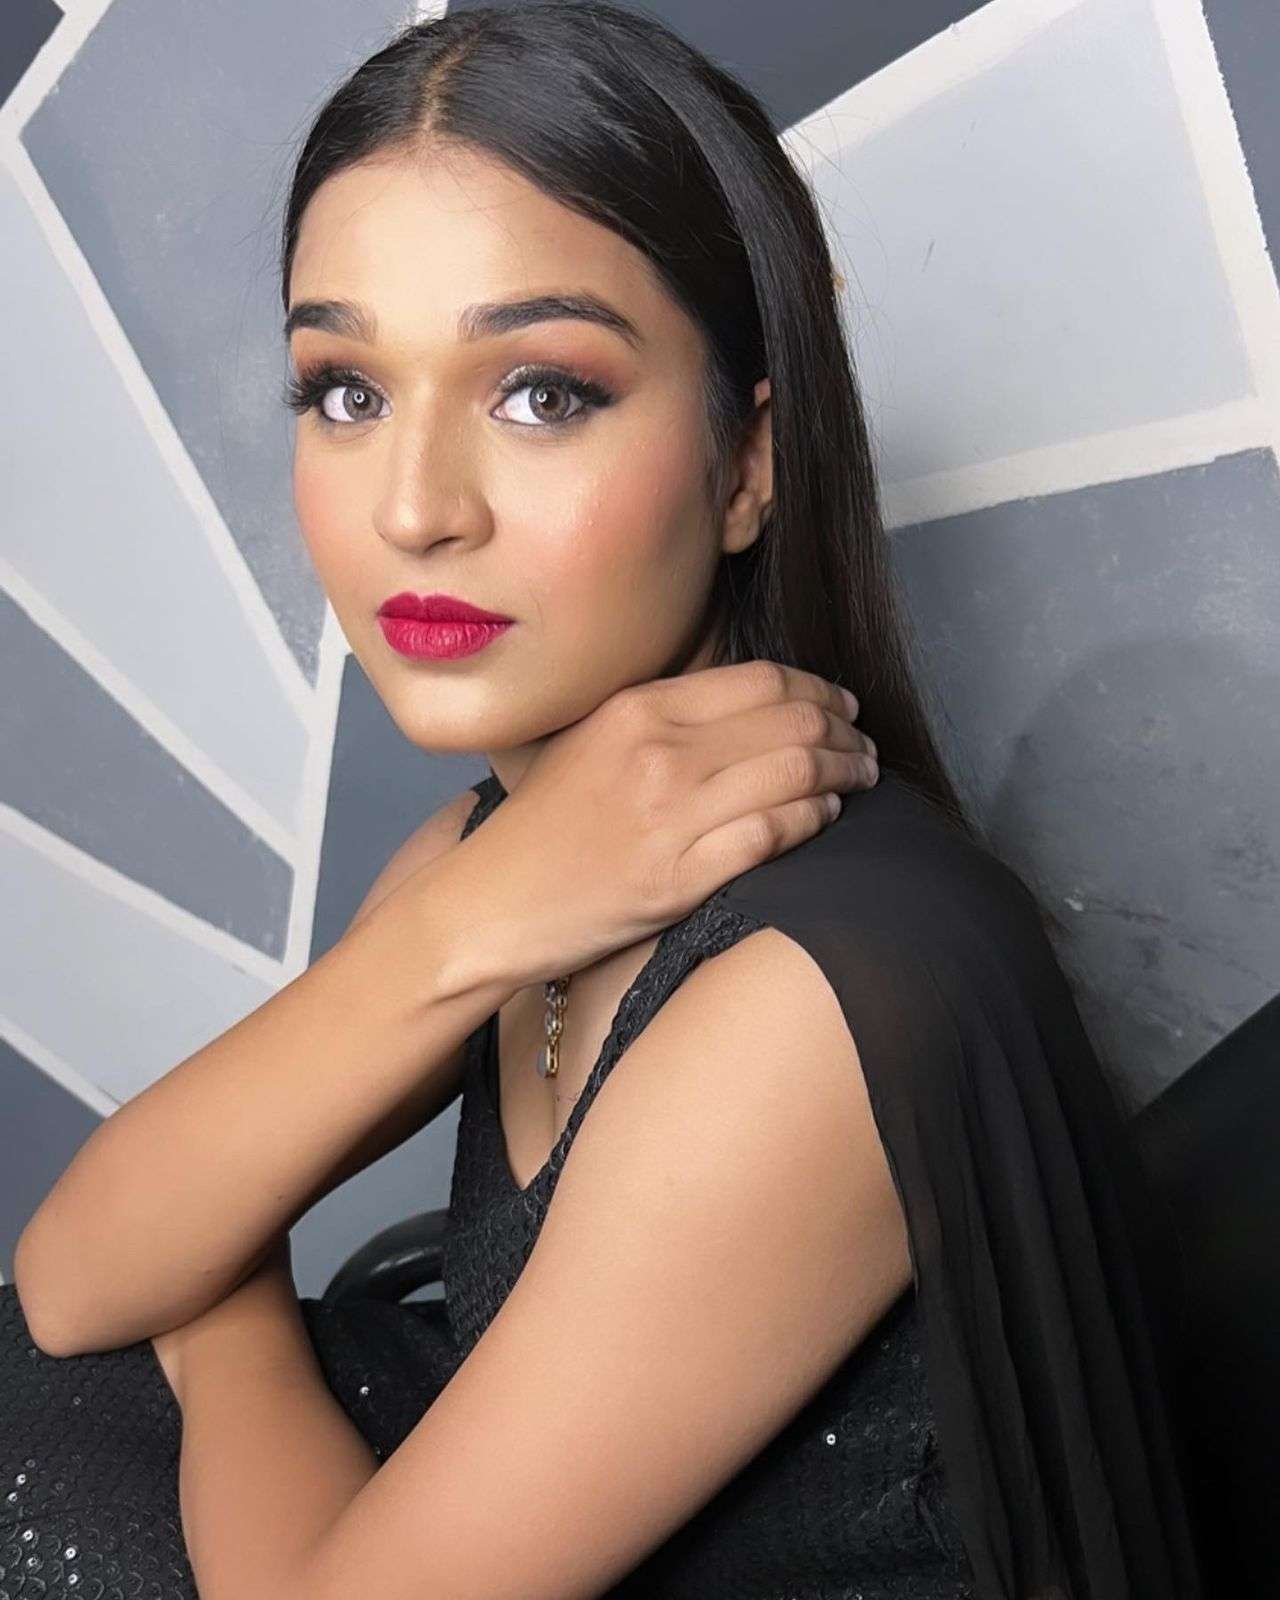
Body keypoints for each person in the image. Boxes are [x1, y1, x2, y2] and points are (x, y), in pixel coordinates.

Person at [2, 4, 1202, 1597]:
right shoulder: (504, 863)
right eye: (346, 391)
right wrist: (472, 919)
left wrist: (222, 1304)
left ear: (746, 464)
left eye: (542, 392)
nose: (416, 510)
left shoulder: (801, 1003)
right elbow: (75, 1280)